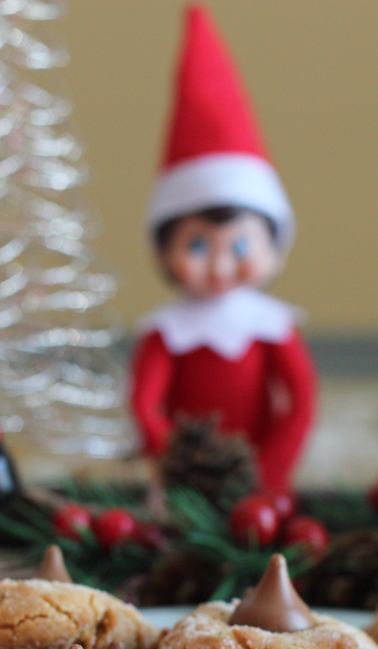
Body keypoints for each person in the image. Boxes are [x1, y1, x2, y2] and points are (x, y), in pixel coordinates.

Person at [131, 5, 316, 493]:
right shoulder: (167, 334)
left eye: (240, 245)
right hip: (182, 486)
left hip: (258, 485)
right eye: (196, 244)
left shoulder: (273, 327)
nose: (219, 265)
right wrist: (179, 463)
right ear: (163, 251)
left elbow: (300, 402)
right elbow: (145, 407)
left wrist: (270, 471)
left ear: (274, 245)